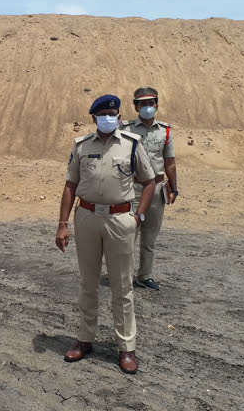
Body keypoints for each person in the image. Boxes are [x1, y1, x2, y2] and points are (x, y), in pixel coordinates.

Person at [55, 94, 155, 374]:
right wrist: (62, 223)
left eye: (113, 113)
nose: (108, 118)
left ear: (119, 116)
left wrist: (139, 217)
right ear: (94, 118)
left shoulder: (132, 145)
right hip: (86, 217)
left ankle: (126, 348)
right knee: (87, 283)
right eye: (103, 114)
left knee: (122, 286)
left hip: (120, 220)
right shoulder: (81, 146)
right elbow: (69, 185)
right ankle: (85, 340)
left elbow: (149, 182)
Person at [121, 87, 178, 290]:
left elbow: (169, 161)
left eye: (150, 103)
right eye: (142, 103)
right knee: (129, 233)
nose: (147, 107)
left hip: (156, 188)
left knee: (150, 237)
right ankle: (124, 276)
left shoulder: (165, 130)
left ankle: (144, 275)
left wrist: (174, 188)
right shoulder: (124, 129)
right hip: (133, 188)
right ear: (136, 106)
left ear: (156, 104)